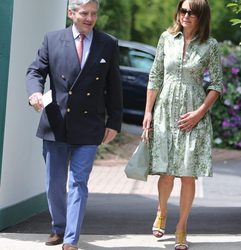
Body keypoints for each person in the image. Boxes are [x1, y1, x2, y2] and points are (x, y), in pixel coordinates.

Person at [26, 0, 123, 249]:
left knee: (79, 182)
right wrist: (35, 93)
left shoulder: (108, 43)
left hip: (90, 125)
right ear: (71, 14)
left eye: (94, 14)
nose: (90, 18)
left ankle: (71, 239)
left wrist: (114, 122)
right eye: (84, 13)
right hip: (56, 122)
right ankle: (59, 228)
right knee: (55, 184)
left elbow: (114, 86)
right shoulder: (52, 39)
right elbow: (36, 71)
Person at [142, 0, 223, 249]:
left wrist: (199, 113)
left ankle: (182, 226)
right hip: (165, 110)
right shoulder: (166, 38)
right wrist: (148, 112)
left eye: (192, 12)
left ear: (201, 16)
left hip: (192, 114)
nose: (186, 15)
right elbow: (155, 75)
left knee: (188, 175)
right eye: (183, 10)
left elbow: (217, 84)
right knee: (166, 172)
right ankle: (162, 210)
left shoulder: (210, 45)